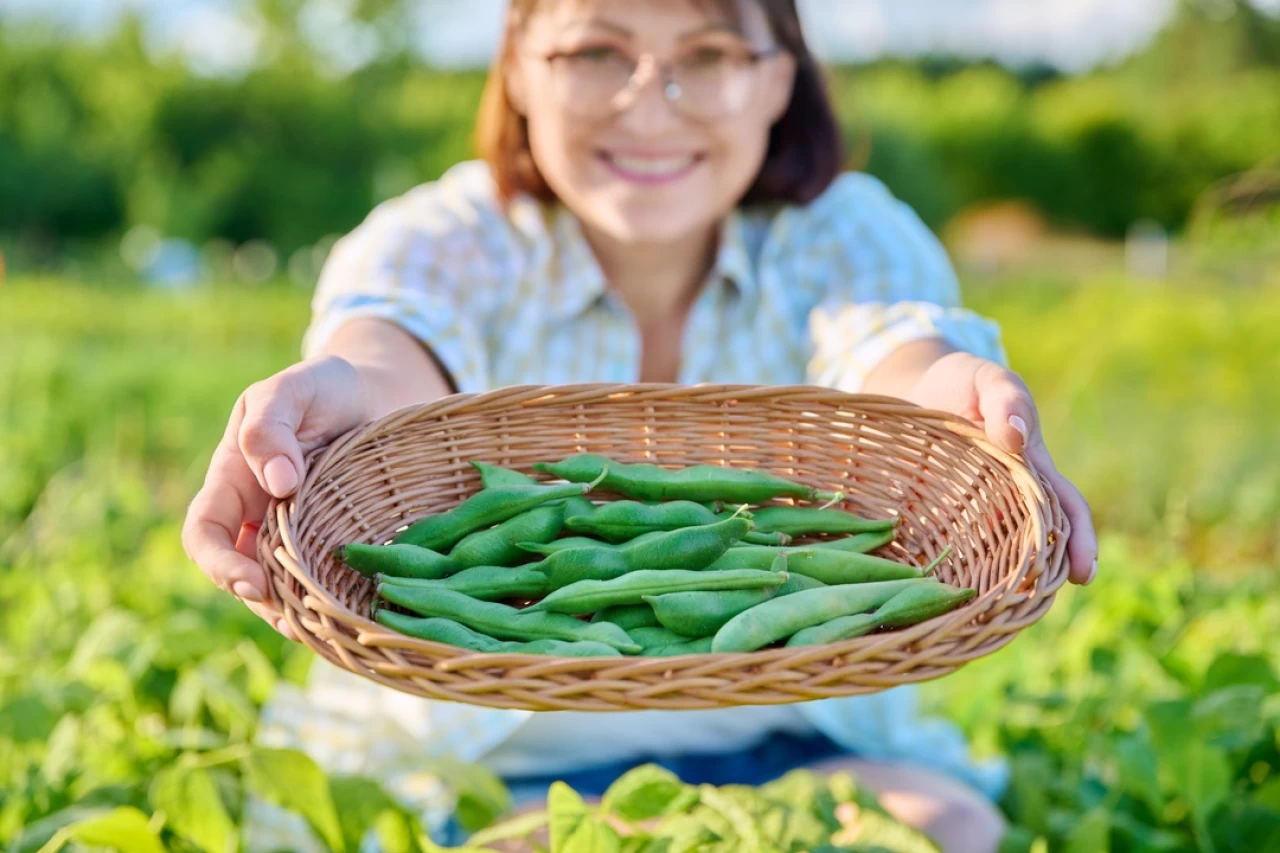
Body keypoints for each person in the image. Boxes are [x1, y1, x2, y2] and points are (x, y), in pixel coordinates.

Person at [182, 1, 1098, 850]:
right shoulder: (444, 235)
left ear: (781, 78)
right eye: (594, 50)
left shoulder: (840, 232)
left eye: (707, 54)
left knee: (945, 828)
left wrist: (950, 392)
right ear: (517, 67)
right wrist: (346, 385)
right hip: (492, 761)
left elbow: (894, 348)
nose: (649, 104)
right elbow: (394, 353)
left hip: (795, 737)